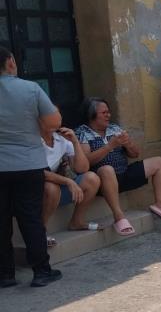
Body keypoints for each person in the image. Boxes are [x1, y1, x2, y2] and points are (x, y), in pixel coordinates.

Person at [0, 46, 62, 288]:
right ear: (11, 62)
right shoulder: (30, 89)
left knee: (1, 220)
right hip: (28, 163)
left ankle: (5, 274)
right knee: (31, 218)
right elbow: (54, 122)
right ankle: (41, 271)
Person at [76, 98, 161, 235]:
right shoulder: (83, 133)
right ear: (92, 115)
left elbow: (135, 154)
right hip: (101, 181)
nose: (108, 115)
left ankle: (160, 205)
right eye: (104, 113)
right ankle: (119, 217)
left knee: (158, 162)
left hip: (123, 174)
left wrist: (128, 144)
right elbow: (86, 162)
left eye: (109, 112)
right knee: (107, 169)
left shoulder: (114, 128)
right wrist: (110, 146)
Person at [40, 123, 102, 247]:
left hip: (56, 188)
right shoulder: (32, 140)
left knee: (92, 178)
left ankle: (77, 221)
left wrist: (74, 142)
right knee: (51, 188)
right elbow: (38, 173)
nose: (56, 120)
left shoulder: (60, 139)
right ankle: (40, 231)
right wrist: (67, 181)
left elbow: (83, 168)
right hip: (34, 190)